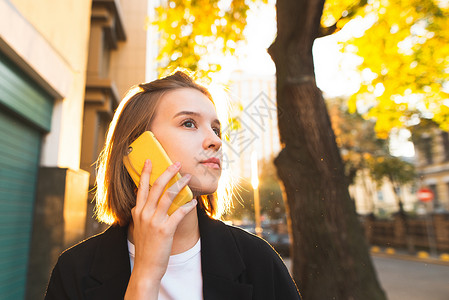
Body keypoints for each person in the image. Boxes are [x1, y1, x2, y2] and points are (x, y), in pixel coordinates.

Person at [45, 71, 301, 300]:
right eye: (189, 123)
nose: (215, 141)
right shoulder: (74, 271)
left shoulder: (258, 260)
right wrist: (145, 277)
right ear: (140, 147)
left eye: (216, 129)